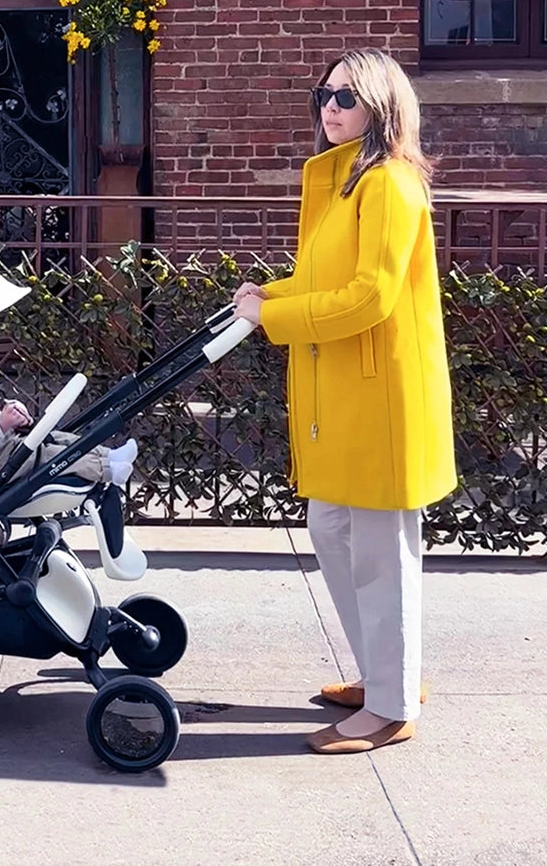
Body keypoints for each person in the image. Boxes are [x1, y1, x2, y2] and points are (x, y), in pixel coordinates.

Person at [233, 48, 457, 754]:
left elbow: (370, 296)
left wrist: (276, 319)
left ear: (380, 109)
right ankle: (387, 673)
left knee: (381, 553)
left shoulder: (389, 184)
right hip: (349, 393)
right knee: (333, 530)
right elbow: (323, 277)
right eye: (323, 95)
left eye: (346, 98)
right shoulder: (346, 183)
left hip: (380, 395)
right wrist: (270, 296)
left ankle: (390, 708)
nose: (330, 108)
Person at [0, 338, 138, 485]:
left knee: (59, 438)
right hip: (1, 460)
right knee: (54, 456)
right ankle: (108, 469)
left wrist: (14, 413)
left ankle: (110, 455)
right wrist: (2, 425)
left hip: (12, 444)